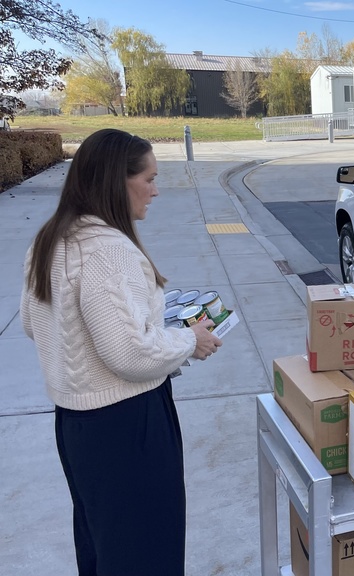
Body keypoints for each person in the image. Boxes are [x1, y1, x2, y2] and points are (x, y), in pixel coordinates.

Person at [20, 128, 222, 575]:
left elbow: (35, 324)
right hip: (128, 425)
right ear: (116, 180)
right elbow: (131, 354)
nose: (155, 189)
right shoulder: (109, 250)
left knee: (102, 545)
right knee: (147, 550)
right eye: (147, 178)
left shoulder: (50, 239)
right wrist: (191, 340)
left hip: (76, 425)